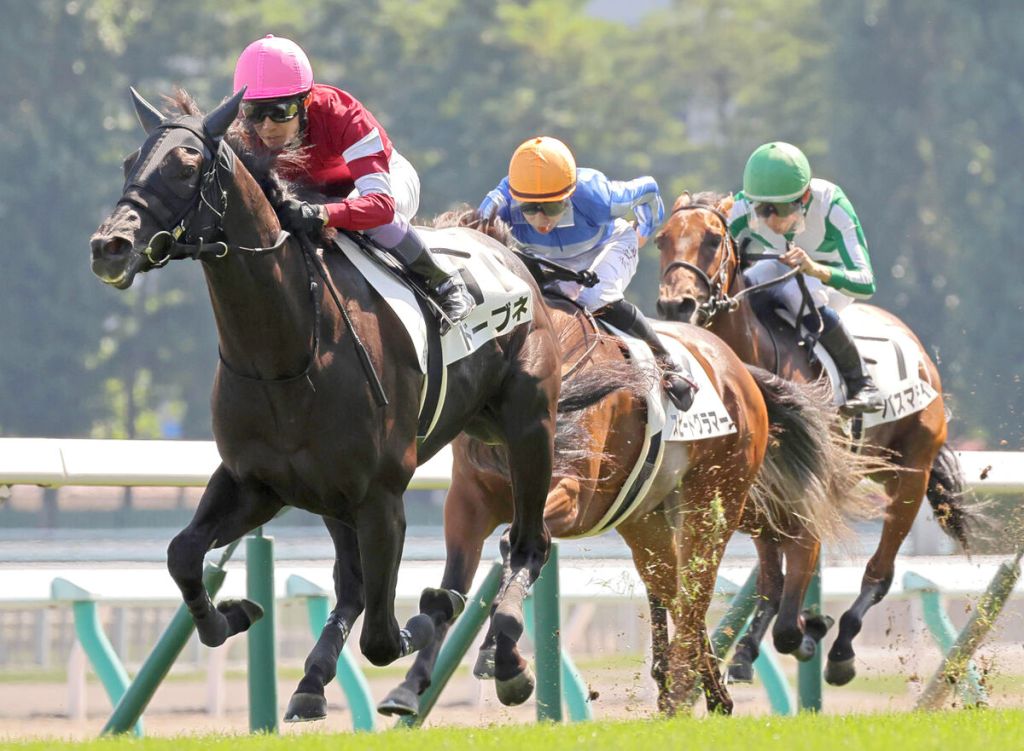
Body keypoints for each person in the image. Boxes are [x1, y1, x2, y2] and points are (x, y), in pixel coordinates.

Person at [232, 35, 474, 332]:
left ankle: (444, 284)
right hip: (314, 195)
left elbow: (380, 207)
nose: (266, 127)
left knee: (364, 213)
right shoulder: (245, 133)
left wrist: (320, 214)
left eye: (281, 112)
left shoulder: (343, 114)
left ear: (305, 101)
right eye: (255, 112)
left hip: (383, 183)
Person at [479, 136, 697, 411]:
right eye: (530, 209)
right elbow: (477, 230)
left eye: (551, 207)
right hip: (548, 259)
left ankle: (669, 364)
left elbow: (650, 191)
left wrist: (642, 232)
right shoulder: (501, 203)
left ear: (569, 195)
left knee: (594, 297)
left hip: (607, 245)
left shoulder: (598, 196)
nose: (540, 219)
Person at [728, 141, 883, 415]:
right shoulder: (743, 205)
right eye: (763, 209)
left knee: (799, 293)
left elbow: (866, 281)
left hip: (830, 277)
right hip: (779, 262)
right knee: (744, 288)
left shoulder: (833, 206)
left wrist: (815, 269)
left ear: (806, 196)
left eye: (780, 210)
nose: (771, 219)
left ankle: (862, 384)